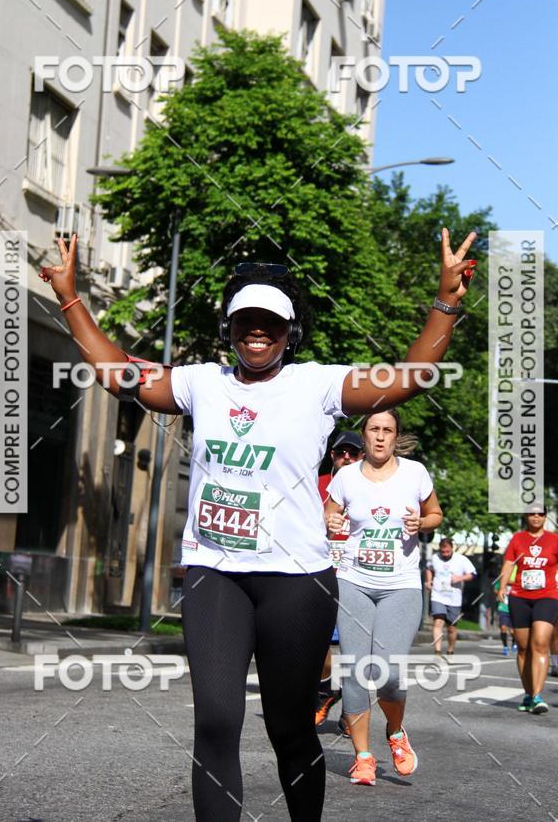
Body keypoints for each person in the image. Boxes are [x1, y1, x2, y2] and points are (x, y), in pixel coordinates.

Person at [39, 228, 475, 821]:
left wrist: (446, 300)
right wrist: (69, 297)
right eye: (245, 320)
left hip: (296, 583)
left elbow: (409, 376)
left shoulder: (319, 384)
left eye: (271, 321)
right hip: (214, 575)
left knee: (289, 729)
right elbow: (117, 372)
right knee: (216, 722)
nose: (257, 330)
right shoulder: (201, 382)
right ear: (230, 328)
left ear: (291, 331)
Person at [324, 408, 443, 785]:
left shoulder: (415, 473)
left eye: (387, 430)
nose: (379, 436)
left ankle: (395, 731)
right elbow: (331, 509)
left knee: (388, 672)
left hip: (401, 586)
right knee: (357, 671)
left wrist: (421, 523)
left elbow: (436, 513)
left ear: (395, 436)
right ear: (364, 436)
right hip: (353, 581)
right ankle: (362, 757)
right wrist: (332, 519)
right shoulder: (345, 476)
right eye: (373, 429)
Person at [315, 431, 363, 729]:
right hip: (319, 572)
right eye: (341, 452)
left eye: (353, 454)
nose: (347, 457)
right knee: (318, 641)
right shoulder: (314, 484)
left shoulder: (369, 488)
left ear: (361, 457)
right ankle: (323, 692)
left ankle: (351, 707)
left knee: (353, 646)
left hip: (355, 574)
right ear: (332, 454)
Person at [498, 505, 558, 714]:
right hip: (519, 597)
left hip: (547, 596)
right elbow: (508, 564)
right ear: (526, 516)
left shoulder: (554, 539)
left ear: (545, 516)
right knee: (523, 648)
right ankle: (527, 692)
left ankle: (537, 696)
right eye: (532, 513)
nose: (536, 517)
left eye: (540, 513)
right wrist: (502, 586)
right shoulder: (518, 539)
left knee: (540, 643)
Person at [426, 538, 476, 657]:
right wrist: (429, 581)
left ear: (452, 549)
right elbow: (429, 568)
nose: (445, 554)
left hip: (454, 598)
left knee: (452, 628)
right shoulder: (435, 558)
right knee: (438, 622)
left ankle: (450, 649)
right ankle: (437, 652)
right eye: (443, 552)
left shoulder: (461, 559)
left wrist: (460, 578)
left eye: (447, 551)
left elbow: (473, 574)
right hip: (438, 595)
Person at [493, 575, 516, 655]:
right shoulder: (502, 580)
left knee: (513, 631)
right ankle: (505, 647)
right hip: (503, 607)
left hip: (514, 608)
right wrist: (501, 592)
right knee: (503, 628)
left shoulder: (517, 581)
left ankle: (514, 642)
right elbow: (495, 589)